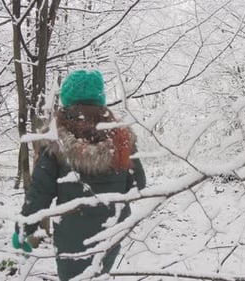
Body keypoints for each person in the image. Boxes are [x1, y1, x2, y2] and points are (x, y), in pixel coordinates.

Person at [12, 69, 146, 280]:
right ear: (100, 98)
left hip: (70, 234)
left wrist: (24, 228)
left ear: (66, 98)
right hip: (111, 229)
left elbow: (40, 193)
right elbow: (138, 183)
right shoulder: (122, 136)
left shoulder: (56, 138)